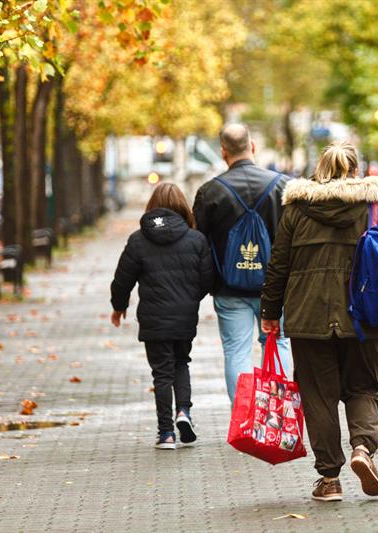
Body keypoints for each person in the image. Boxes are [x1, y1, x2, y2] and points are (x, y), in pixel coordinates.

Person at [260, 141, 378, 502]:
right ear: (354, 170)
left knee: (318, 397)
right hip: (363, 315)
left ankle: (329, 479)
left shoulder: (296, 209)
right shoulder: (374, 206)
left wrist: (269, 312)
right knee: (363, 387)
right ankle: (362, 449)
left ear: (319, 169)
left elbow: (279, 265)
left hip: (308, 315)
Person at [110, 183, 214, 450]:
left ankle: (166, 433)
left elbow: (123, 280)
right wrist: (189, 300)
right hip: (184, 317)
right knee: (181, 363)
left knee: (161, 373)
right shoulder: (197, 239)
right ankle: (183, 412)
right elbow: (206, 280)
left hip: (154, 318)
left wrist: (118, 306)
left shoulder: (138, 240)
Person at [192, 123, 291, 402]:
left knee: (236, 351)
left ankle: (245, 420)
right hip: (275, 286)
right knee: (278, 342)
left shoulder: (210, 191)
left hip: (229, 288)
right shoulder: (282, 186)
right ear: (253, 146)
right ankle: (278, 416)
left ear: (223, 152)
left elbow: (199, 241)